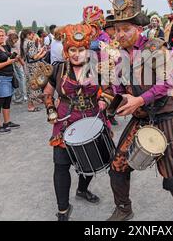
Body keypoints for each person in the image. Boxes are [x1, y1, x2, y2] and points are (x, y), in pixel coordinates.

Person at [106, 0, 173, 221]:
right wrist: (115, 99)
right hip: (141, 118)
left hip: (165, 117)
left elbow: (165, 85)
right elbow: (119, 88)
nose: (119, 35)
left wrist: (138, 99)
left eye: (125, 29)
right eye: (116, 30)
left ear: (138, 28)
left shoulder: (155, 48)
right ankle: (124, 209)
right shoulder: (120, 57)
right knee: (117, 165)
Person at [43, 23, 112, 221]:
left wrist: (103, 100)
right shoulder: (58, 69)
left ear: (87, 50)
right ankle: (63, 210)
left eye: (81, 50)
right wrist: (50, 109)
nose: (76, 54)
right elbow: (47, 94)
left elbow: (108, 90)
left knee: (91, 161)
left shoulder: (98, 68)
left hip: (92, 120)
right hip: (65, 122)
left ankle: (82, 190)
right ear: (66, 50)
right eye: (72, 50)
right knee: (61, 165)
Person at [0, 28, 21, 134]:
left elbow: (7, 60)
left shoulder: (4, 46)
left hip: (8, 77)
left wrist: (13, 59)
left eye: (3, 35)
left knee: (7, 101)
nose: (2, 37)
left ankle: (7, 122)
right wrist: (8, 62)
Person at [20, 29, 47, 112]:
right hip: (33, 66)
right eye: (32, 34)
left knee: (30, 85)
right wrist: (43, 53)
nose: (33, 36)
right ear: (28, 35)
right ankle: (31, 105)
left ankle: (31, 103)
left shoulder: (23, 42)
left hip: (28, 66)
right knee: (34, 85)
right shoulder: (30, 42)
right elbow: (34, 57)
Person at [6, 33, 27, 104]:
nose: (16, 41)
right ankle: (21, 95)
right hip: (14, 63)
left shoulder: (12, 44)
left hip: (15, 63)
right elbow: (17, 55)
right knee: (19, 78)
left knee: (20, 78)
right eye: (15, 39)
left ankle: (21, 95)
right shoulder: (11, 45)